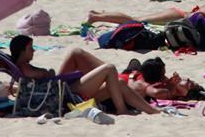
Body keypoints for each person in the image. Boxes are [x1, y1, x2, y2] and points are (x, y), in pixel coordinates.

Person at [10, 36, 159, 116]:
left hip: (63, 90)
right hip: (66, 96)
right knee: (109, 69)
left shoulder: (24, 67)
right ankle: (121, 110)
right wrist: (46, 72)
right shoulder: (25, 68)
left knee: (118, 83)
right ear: (22, 51)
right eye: (30, 48)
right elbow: (40, 75)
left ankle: (152, 111)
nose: (34, 51)